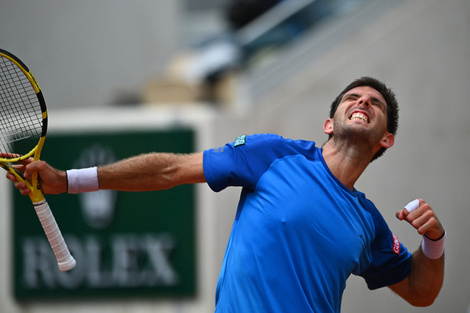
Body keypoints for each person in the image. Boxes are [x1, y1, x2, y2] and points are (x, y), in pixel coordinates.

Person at [6, 77, 445, 313]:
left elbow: (418, 291)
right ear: (329, 123)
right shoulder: (272, 155)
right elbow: (170, 170)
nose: (363, 102)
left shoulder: (368, 222)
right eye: (353, 97)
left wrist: (433, 243)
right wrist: (67, 181)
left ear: (385, 139)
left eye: (375, 103)